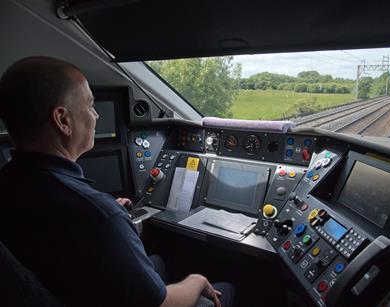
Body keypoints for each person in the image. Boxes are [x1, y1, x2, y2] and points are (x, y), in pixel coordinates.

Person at [0, 56, 234, 307]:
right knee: (226, 290)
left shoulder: (8, 182)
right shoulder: (99, 217)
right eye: (90, 105)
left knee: (160, 263)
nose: (96, 115)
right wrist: (196, 280)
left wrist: (107, 213)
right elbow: (161, 304)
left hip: (64, 289)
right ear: (63, 120)